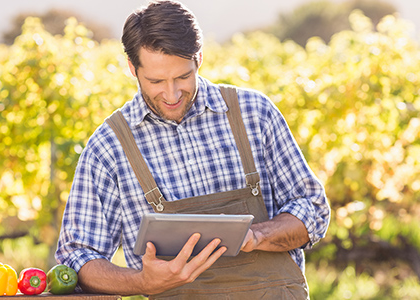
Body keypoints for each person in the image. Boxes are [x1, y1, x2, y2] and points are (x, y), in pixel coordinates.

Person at [55, 0, 330, 298]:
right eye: (156, 81)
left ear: (199, 58)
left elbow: (312, 207)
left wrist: (254, 236)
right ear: (132, 68)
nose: (171, 94)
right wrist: (141, 282)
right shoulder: (108, 147)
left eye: (183, 77)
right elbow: (78, 257)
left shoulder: (254, 113)